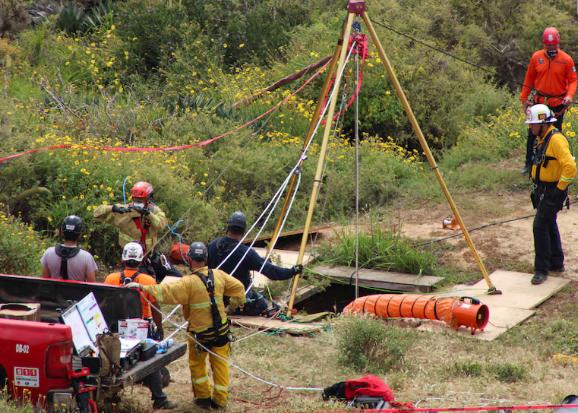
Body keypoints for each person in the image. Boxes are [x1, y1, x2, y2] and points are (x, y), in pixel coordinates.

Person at [126, 242, 246, 410]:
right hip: (221, 332)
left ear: (189, 260)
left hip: (199, 334)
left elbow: (164, 291)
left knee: (197, 364)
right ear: (205, 259)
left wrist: (141, 287)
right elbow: (239, 288)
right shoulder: (219, 275)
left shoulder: (188, 283)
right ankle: (219, 401)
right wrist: (232, 307)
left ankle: (203, 398)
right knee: (220, 365)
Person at [103, 242, 175, 410]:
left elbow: (104, 304)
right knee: (151, 360)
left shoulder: (111, 279)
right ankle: (159, 398)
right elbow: (155, 307)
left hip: (115, 328)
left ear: (123, 258)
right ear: (141, 259)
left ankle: (111, 397)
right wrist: (160, 327)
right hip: (142, 328)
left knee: (113, 361)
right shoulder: (147, 280)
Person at [207, 211, 303, 316]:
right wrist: (292, 271)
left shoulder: (212, 245)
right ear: (244, 231)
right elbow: (272, 272)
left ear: (228, 227)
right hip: (234, 299)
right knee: (263, 304)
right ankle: (234, 309)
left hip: (213, 297)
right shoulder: (246, 253)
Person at [526, 104, 576, 285]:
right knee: (548, 223)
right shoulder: (543, 138)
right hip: (544, 190)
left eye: (532, 124)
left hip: (553, 191)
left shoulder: (556, 140)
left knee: (539, 226)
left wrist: (560, 188)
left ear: (543, 123)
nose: (530, 128)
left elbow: (570, 167)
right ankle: (556, 262)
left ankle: (541, 269)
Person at [93, 181, 181, 282]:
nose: (138, 201)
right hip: (131, 260)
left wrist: (148, 214)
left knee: (177, 278)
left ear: (148, 199)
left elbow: (160, 225)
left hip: (150, 256)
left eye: (141, 199)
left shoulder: (154, 211)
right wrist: (112, 208)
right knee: (145, 282)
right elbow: (96, 214)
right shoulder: (123, 211)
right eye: (136, 199)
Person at [520, 27, 576, 175]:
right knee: (533, 133)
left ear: (558, 44)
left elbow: (573, 80)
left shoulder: (566, 60)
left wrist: (569, 96)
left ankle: (556, 164)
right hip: (539, 103)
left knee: (555, 134)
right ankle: (529, 164)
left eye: (554, 46)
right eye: (548, 46)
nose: (551, 48)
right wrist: (524, 99)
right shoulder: (536, 57)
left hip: (557, 105)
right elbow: (529, 80)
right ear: (544, 44)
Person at [41, 215, 97, 282]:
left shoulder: (48, 253)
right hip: (77, 292)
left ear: (62, 232)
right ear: (80, 234)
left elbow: (44, 281)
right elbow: (92, 286)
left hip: (54, 292)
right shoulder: (86, 257)